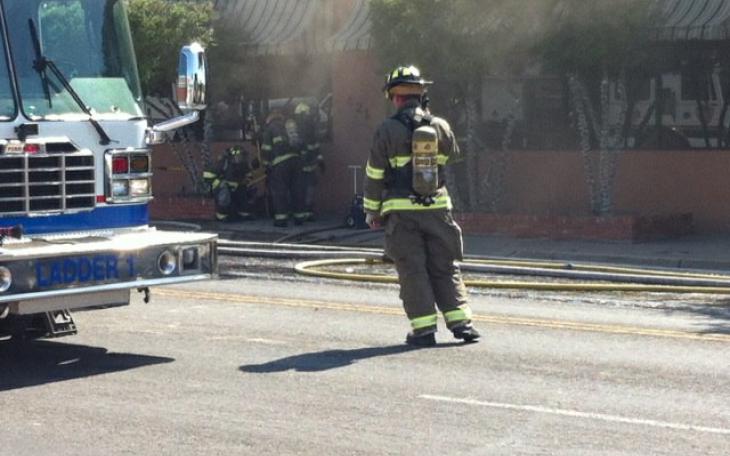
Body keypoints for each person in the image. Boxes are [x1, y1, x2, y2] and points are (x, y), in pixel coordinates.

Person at [363, 65, 481, 347]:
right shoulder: (440, 126)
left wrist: (372, 211)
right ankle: (462, 323)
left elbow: (375, 174)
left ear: (395, 97)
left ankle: (424, 330)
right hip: (438, 210)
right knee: (445, 266)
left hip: (403, 215)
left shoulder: (387, 130)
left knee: (413, 269)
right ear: (421, 94)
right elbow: (453, 156)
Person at [261, 108, 306, 227]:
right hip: (296, 161)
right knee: (297, 190)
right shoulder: (289, 126)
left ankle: (281, 220)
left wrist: (266, 164)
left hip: (280, 164)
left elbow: (266, 149)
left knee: (279, 191)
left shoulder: (270, 128)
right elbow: (301, 143)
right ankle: (299, 218)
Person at [203, 145, 256, 222]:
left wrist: (246, 182)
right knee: (225, 193)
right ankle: (221, 215)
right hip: (221, 188)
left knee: (246, 190)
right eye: (239, 156)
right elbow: (207, 175)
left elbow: (249, 175)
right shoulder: (223, 163)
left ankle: (244, 212)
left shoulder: (243, 164)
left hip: (236, 187)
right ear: (233, 156)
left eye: (242, 156)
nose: (241, 158)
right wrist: (220, 183)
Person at [292, 102, 325, 222]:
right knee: (302, 191)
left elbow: (315, 146)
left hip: (309, 167)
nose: (308, 118)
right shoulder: (296, 131)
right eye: (307, 115)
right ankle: (302, 213)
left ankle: (308, 212)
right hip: (300, 168)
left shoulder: (310, 131)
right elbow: (295, 148)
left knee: (309, 190)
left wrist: (320, 160)